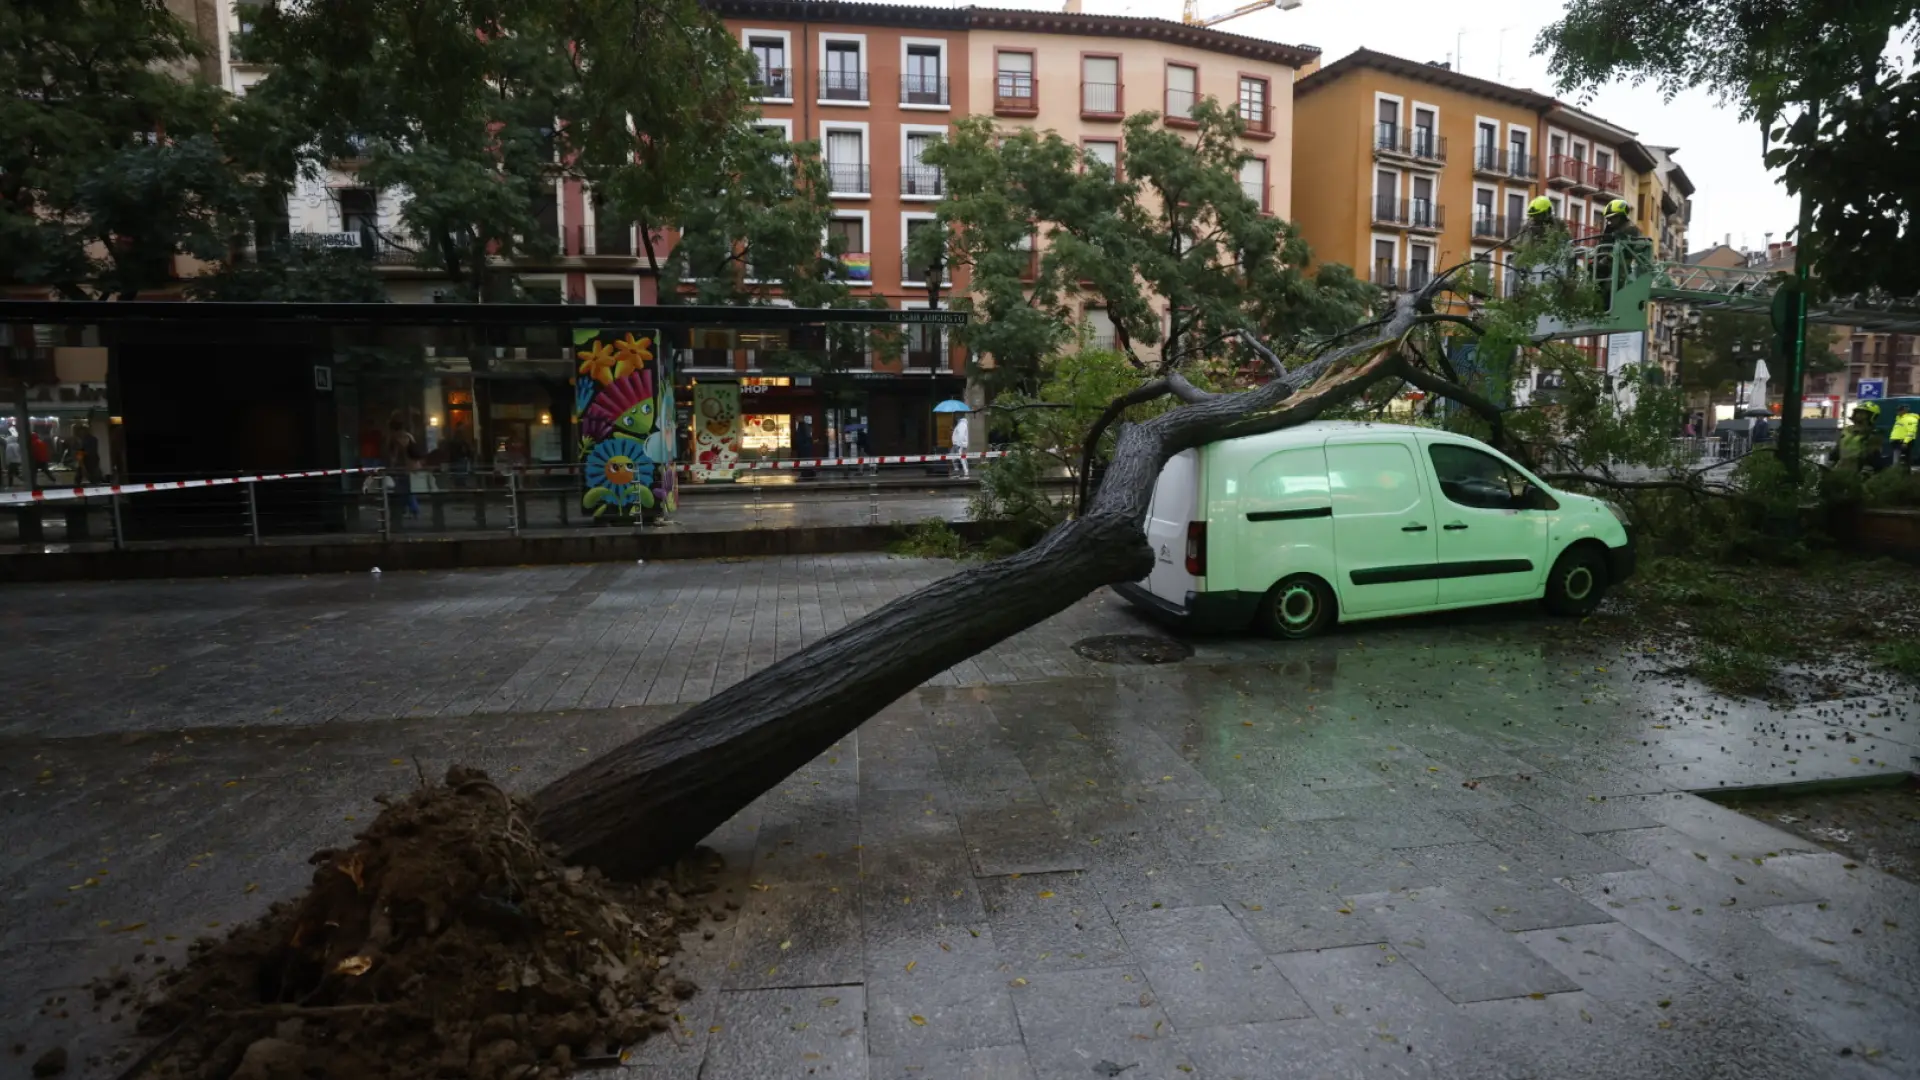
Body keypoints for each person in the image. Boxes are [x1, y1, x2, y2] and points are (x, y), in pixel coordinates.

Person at [1594, 199, 1640, 305]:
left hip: (1620, 266)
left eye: (1613, 218)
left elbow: (1621, 249)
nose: (1611, 221)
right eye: (1609, 219)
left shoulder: (1631, 230)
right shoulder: (1611, 229)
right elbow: (1603, 244)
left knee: (1609, 289)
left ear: (1622, 216)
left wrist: (1606, 259)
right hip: (1608, 265)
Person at [384, 413, 421, 519]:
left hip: (403, 466)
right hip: (412, 465)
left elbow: (394, 454)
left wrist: (392, 464)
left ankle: (411, 509)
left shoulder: (395, 438)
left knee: (404, 489)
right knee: (407, 488)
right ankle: (410, 509)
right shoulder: (409, 435)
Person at [1833, 401, 1884, 471]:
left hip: (1858, 472)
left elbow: (1873, 457)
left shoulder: (1872, 434)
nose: (1859, 415)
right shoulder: (1846, 430)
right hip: (1840, 470)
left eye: (1863, 413)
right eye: (1858, 412)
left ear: (1871, 416)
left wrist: (1866, 473)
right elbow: (1837, 450)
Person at [949, 410, 971, 478]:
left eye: (956, 415)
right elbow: (958, 433)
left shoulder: (962, 424)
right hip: (958, 444)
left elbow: (961, 435)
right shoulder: (960, 423)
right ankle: (957, 471)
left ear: (959, 415)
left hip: (959, 444)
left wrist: (959, 445)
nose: (955, 416)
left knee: (962, 458)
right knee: (955, 456)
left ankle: (965, 472)